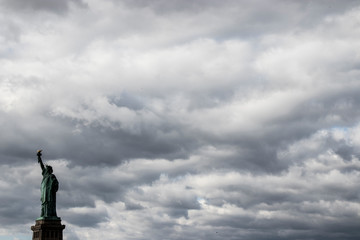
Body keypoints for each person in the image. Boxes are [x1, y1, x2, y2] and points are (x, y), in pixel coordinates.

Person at [37, 150, 59, 218]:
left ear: (49, 170)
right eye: (45, 169)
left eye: (47, 169)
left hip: (50, 194)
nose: (45, 170)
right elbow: (41, 165)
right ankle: (44, 213)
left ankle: (49, 214)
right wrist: (39, 157)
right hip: (44, 193)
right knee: (44, 203)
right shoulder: (45, 176)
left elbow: (56, 184)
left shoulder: (52, 176)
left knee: (49, 203)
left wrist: (53, 186)